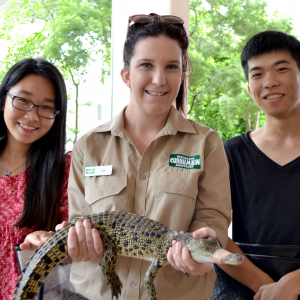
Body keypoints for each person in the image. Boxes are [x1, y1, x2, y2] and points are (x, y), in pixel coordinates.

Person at [65, 13, 233, 300]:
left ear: (182, 73)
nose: (159, 79)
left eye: (172, 67)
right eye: (146, 65)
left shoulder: (207, 143)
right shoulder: (88, 145)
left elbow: (213, 218)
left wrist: (205, 246)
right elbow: (78, 221)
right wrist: (78, 240)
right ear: (126, 74)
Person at [210, 31, 300, 300]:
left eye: (281, 69)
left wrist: (292, 284)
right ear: (249, 88)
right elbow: (212, 232)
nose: (269, 82)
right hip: (243, 288)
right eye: (257, 74)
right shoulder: (230, 153)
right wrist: (264, 286)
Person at [0, 58, 71, 299]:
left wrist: (49, 239)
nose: (32, 116)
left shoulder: (63, 170)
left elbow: (73, 235)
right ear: (3, 100)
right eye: (23, 100)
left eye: (46, 107)